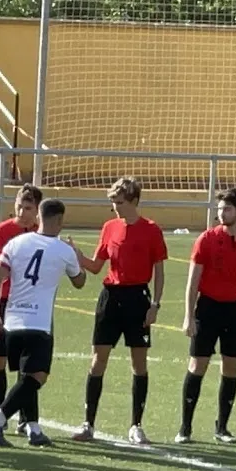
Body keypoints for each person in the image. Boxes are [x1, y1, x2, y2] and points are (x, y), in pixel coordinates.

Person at [0, 199, 86, 448]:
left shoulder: (16, 243)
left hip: (12, 320)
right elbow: (79, 281)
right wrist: (78, 258)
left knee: (26, 377)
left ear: (38, 216)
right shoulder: (63, 250)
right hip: (39, 323)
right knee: (37, 377)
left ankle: (33, 429)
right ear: (59, 220)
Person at [68, 177, 167, 445]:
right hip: (111, 298)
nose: (115, 208)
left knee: (139, 363)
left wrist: (155, 305)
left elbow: (159, 271)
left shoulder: (151, 230)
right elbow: (96, 266)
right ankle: (88, 423)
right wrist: (76, 255)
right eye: (112, 202)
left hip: (138, 299)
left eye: (120, 202)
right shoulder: (109, 227)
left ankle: (136, 425)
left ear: (134, 201)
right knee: (98, 359)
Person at [178, 188, 236, 444]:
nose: (221, 214)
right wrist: (188, 316)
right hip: (208, 308)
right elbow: (192, 282)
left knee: (231, 367)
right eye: (220, 209)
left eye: (227, 209)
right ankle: (185, 427)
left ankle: (222, 428)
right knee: (197, 365)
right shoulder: (206, 239)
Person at [0, 183, 42, 435]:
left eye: (28, 208)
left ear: (37, 210)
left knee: (26, 365)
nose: (22, 212)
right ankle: (0, 414)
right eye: (19, 206)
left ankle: (26, 419)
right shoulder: (1, 231)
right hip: (2, 301)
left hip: (27, 305)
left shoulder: (41, 233)